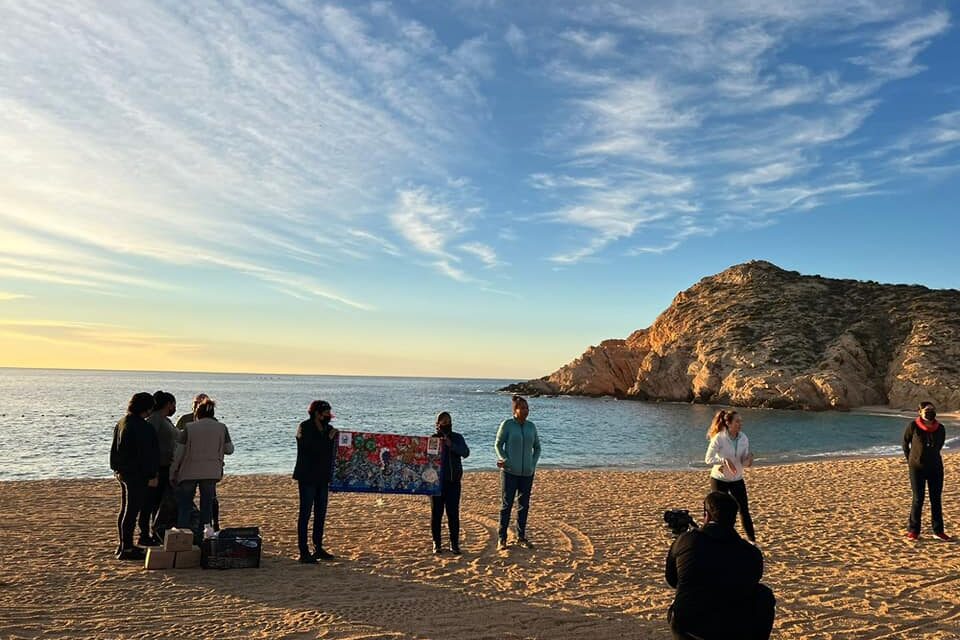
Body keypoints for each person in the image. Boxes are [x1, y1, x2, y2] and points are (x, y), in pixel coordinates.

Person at [665, 491, 775, 640]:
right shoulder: (751, 552)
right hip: (735, 628)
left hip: (689, 628)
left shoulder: (686, 541)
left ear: (707, 516)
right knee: (764, 594)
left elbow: (672, 580)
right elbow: (752, 581)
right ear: (734, 518)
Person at [171, 397, 234, 534]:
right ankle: (205, 535)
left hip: (189, 471)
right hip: (211, 472)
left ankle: (183, 535)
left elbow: (179, 453)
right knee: (207, 505)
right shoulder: (222, 428)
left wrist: (173, 471)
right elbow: (229, 449)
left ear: (197, 414)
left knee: (185, 505)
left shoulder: (189, 428)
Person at [109, 392, 160, 560]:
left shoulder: (122, 422)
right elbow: (148, 454)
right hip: (137, 474)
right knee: (132, 510)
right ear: (146, 408)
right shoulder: (143, 427)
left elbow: (114, 449)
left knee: (125, 509)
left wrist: (116, 469)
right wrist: (152, 475)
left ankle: (123, 544)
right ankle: (127, 547)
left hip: (123, 472)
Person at [293, 400, 339, 564]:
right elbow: (308, 448)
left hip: (323, 477)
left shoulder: (329, 429)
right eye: (325, 413)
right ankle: (303, 551)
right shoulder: (304, 427)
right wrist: (328, 439)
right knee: (305, 514)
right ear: (317, 413)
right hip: (307, 476)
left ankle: (318, 547)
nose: (328, 416)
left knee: (320, 513)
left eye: (329, 413)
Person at [494, 395, 541, 550]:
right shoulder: (507, 425)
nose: (526, 411)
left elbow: (537, 447)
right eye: (523, 408)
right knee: (506, 505)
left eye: (527, 408)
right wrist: (504, 459)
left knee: (524, 506)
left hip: (527, 472)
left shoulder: (531, 426)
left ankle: (521, 537)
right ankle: (502, 539)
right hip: (509, 471)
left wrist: (532, 463)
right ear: (515, 410)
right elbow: (498, 445)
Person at [704, 409, 756, 543]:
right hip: (719, 479)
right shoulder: (719, 438)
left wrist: (749, 459)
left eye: (741, 421)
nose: (740, 424)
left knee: (744, 510)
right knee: (717, 514)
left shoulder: (743, 437)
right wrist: (724, 461)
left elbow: (743, 462)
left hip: (737, 479)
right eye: (737, 421)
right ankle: (712, 541)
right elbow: (708, 459)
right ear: (728, 423)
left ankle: (753, 542)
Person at [903, 401, 952, 541]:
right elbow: (905, 443)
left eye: (932, 409)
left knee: (936, 500)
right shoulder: (913, 426)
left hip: (935, 468)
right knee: (918, 499)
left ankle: (938, 531)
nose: (930, 412)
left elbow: (940, 445)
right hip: (916, 468)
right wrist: (911, 459)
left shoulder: (940, 428)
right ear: (920, 412)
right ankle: (914, 531)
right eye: (927, 410)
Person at [174, 392, 220, 528]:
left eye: (199, 403)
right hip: (190, 465)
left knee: (209, 500)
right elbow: (177, 439)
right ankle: (185, 530)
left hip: (206, 466)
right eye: (195, 403)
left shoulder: (214, 423)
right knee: (186, 501)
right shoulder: (185, 419)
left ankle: (212, 525)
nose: (196, 406)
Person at [431, 411, 470, 554]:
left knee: (453, 513)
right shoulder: (433, 439)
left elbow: (465, 452)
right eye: (444, 422)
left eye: (449, 421)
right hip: (436, 483)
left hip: (454, 482)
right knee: (437, 514)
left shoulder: (457, 437)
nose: (447, 424)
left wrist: (451, 445)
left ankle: (454, 543)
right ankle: (437, 543)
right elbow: (426, 458)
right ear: (438, 424)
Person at [145, 390, 178, 541]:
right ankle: (149, 533)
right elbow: (149, 443)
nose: (174, 408)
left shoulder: (166, 420)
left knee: (163, 502)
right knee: (154, 502)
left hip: (166, 467)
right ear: (168, 404)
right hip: (158, 468)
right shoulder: (155, 419)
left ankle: (158, 531)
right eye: (173, 404)